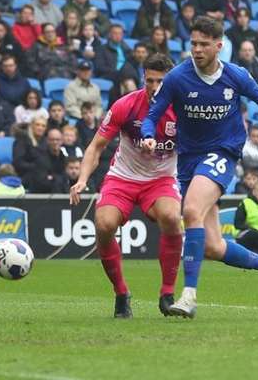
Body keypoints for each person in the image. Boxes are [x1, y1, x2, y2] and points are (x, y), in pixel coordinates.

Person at [141, 16, 258, 318]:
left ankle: (189, 296)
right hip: (189, 160)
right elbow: (152, 115)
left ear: (219, 46)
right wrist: (146, 136)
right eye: (193, 43)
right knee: (212, 246)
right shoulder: (178, 78)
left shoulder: (236, 75)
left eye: (204, 44)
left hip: (223, 153)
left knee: (191, 211)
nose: (196, 49)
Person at [69, 54, 182, 318]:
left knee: (171, 218)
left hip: (161, 179)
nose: (155, 87)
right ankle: (121, 293)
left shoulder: (182, 109)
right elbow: (96, 146)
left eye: (161, 81)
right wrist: (82, 179)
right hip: (123, 178)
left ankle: (167, 294)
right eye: (150, 80)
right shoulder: (126, 105)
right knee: (104, 224)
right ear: (144, 78)